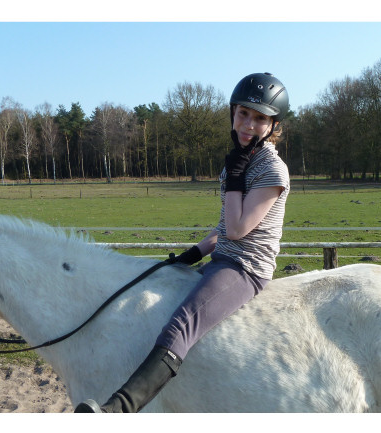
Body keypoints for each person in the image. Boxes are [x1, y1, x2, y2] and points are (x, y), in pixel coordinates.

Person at [75, 72, 290, 413]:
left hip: (246, 269)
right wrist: (191, 255)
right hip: (222, 259)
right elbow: (223, 228)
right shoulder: (239, 161)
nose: (249, 124)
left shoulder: (271, 170)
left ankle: (118, 409)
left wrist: (235, 177)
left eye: (260, 118)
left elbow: (238, 229)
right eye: (243, 113)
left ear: (273, 124)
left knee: (182, 324)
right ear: (233, 113)